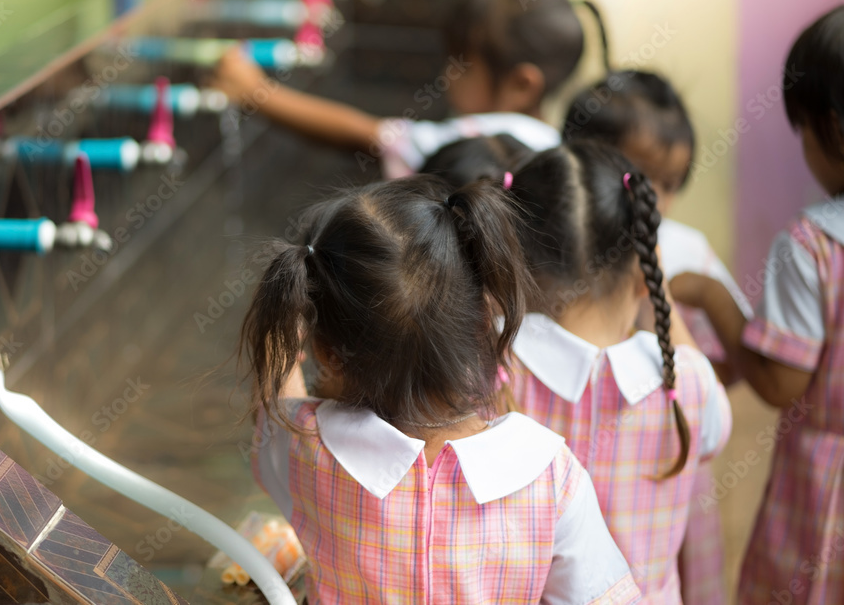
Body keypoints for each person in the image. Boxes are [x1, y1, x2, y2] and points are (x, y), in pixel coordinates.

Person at [242, 175, 640, 603]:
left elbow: (273, 411)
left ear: (326, 351)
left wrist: (279, 349)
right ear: (484, 320)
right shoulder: (550, 475)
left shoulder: (303, 446)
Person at [426, 137, 731, 601]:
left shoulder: (480, 370)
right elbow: (715, 432)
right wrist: (659, 289)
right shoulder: (687, 381)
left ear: (515, 257)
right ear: (645, 268)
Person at [666, 5, 844, 604]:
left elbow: (780, 383)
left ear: (835, 129)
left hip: (827, 487)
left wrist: (714, 298)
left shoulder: (815, 243)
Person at [563, 69, 750, 604]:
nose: (657, 202)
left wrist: (704, 299)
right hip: (577, 455)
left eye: (670, 184)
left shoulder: (686, 250)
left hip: (661, 467)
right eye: (640, 180)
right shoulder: (556, 251)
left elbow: (729, 368)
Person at [212, 0, 592, 179]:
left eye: (463, 64)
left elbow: (370, 137)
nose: (449, 74)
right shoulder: (549, 143)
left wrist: (254, 91)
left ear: (521, 84)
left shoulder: (495, 143)